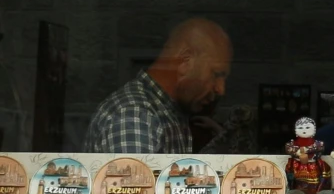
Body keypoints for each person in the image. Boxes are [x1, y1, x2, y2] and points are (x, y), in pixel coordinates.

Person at [81, 18, 230, 154]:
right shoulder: (135, 117)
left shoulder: (166, 113)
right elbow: (134, 184)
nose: (220, 89)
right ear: (185, 61)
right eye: (216, 74)